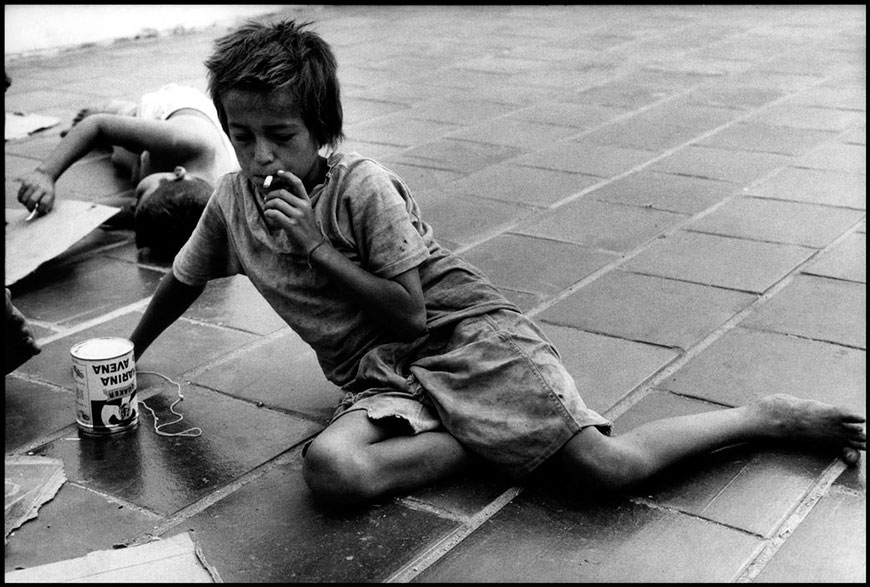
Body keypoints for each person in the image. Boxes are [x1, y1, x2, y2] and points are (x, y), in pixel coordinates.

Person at [129, 19, 866, 504]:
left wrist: (313, 247)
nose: (259, 155)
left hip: (463, 340)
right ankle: (487, 438)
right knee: (333, 473)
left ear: (322, 131)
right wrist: (125, 357)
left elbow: (412, 310)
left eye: (280, 134)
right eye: (242, 133)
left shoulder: (361, 187)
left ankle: (763, 415)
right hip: (381, 378)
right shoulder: (231, 199)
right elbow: (184, 282)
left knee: (608, 474)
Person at [16, 84, 239, 259]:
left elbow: (177, 220)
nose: (133, 203)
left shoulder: (197, 197)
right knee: (116, 132)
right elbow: (98, 126)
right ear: (178, 173)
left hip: (165, 157)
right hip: (166, 113)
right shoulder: (184, 140)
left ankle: (123, 149)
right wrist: (45, 174)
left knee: (122, 160)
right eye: (140, 197)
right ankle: (109, 107)